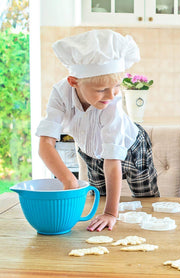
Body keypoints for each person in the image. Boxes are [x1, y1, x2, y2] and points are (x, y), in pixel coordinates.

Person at [36, 29, 159, 232]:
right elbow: (45, 145)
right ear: (74, 81)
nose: (111, 95)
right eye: (102, 89)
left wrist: (112, 213)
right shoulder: (60, 94)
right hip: (92, 153)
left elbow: (112, 161)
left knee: (146, 203)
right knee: (98, 200)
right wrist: (69, 180)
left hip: (134, 148)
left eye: (117, 86)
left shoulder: (112, 104)